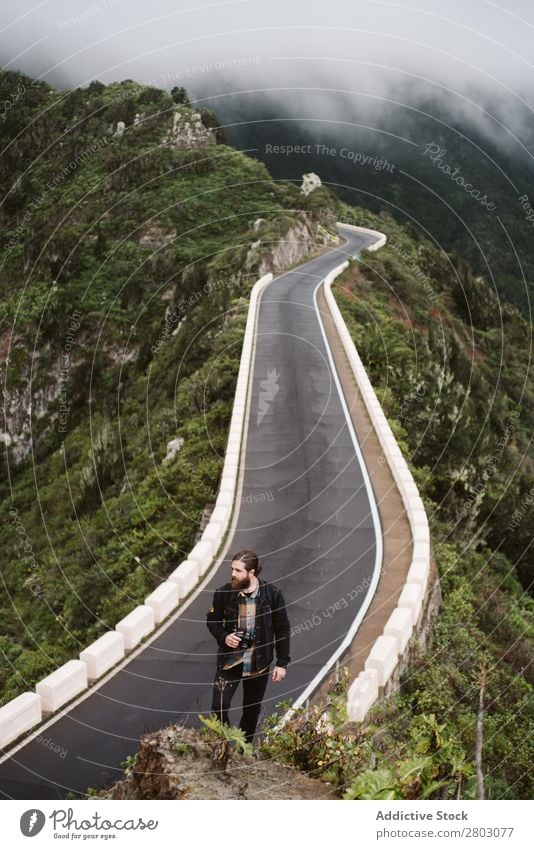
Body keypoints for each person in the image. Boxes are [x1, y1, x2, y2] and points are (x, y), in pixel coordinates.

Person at [206, 549, 290, 743]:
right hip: (229, 662)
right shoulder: (223, 594)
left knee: (251, 711)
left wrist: (282, 662)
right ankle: (224, 744)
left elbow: (283, 629)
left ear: (251, 572)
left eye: (238, 570)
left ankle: (244, 751)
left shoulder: (272, 594)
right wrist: (225, 636)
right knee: (218, 706)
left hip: (258, 664)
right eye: (232, 569)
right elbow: (212, 620)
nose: (233, 574)